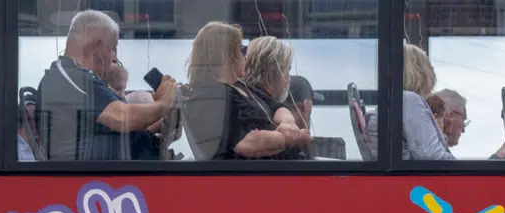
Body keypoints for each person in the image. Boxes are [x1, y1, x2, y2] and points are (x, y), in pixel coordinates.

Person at [37, 10, 177, 161]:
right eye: (112, 49)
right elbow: (122, 117)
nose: (114, 58)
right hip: (103, 173)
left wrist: (164, 113)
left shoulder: (77, 77)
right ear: (96, 47)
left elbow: (115, 130)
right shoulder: (69, 77)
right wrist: (164, 103)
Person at [185, 22, 310, 160]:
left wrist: (288, 124)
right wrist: (289, 139)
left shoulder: (241, 86)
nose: (245, 56)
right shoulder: (209, 97)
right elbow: (248, 143)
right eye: (241, 49)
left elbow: (277, 107)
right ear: (227, 56)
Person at [398, 44, 453, 160]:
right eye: (428, 66)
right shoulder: (410, 100)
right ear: (419, 71)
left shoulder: (401, 100)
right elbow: (431, 155)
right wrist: (465, 168)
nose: (432, 71)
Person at [101, 60, 161, 160]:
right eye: (118, 89)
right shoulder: (109, 109)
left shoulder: (125, 101)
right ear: (106, 87)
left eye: (123, 89)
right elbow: (130, 135)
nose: (122, 95)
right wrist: (161, 115)